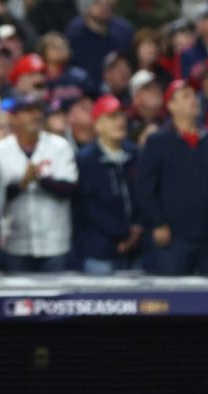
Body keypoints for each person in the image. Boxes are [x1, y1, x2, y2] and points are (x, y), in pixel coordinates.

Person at [136, 80, 208, 275]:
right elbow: (145, 188)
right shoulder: (158, 141)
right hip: (173, 239)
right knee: (173, 299)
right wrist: (158, 222)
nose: (193, 99)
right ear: (171, 105)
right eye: (185, 95)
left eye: (194, 94)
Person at [0, 94, 78, 272]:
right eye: (27, 111)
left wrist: (40, 179)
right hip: (14, 242)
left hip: (54, 242)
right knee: (17, 299)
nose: (35, 116)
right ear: (13, 117)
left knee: (55, 298)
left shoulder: (59, 146)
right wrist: (22, 183)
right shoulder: (0, 150)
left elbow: (69, 189)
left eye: (38, 110)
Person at [73, 95, 142, 274]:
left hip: (137, 247)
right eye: (111, 117)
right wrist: (123, 233)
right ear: (97, 125)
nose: (119, 122)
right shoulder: (86, 159)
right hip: (100, 249)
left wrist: (136, 231)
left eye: (121, 116)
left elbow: (145, 195)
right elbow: (88, 207)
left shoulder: (135, 154)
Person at [65, 0, 134, 83]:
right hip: (83, 87)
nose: (104, 7)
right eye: (97, 2)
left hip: (116, 88)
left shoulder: (123, 31)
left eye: (107, 4)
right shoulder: (75, 32)